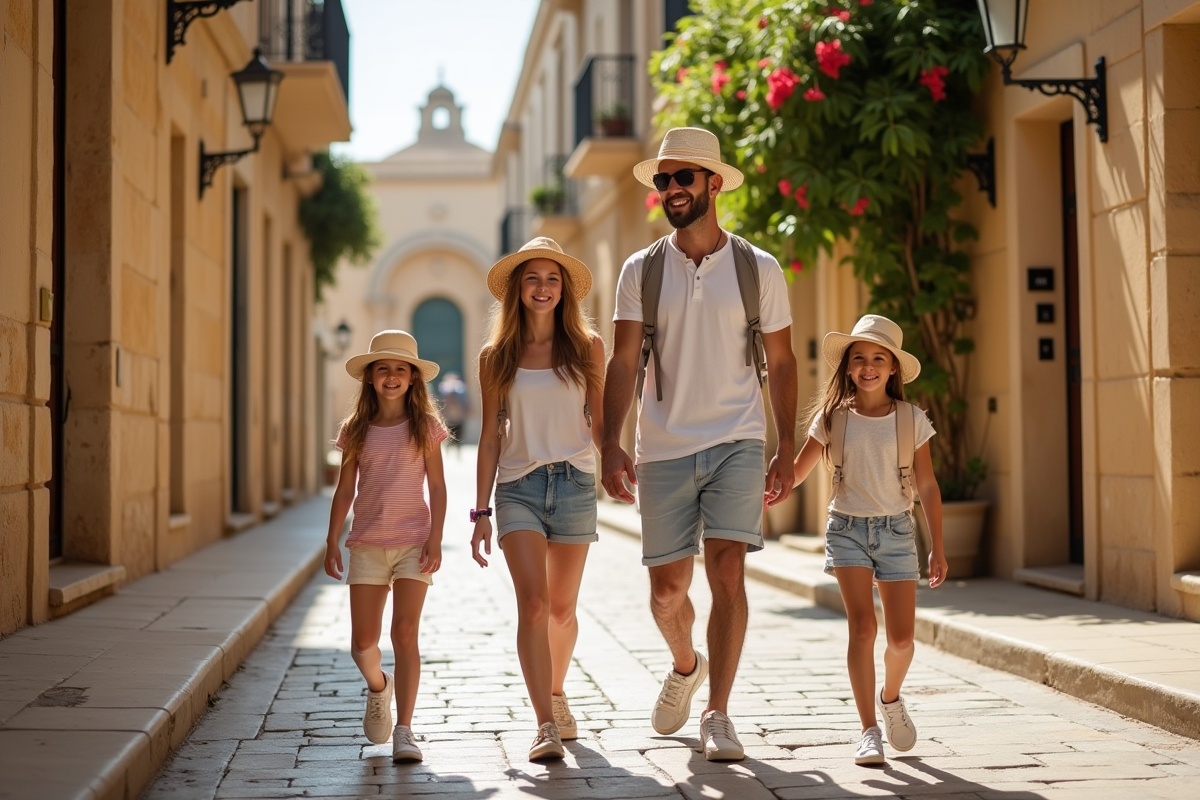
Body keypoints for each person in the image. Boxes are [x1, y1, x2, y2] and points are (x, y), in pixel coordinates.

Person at [601, 127, 798, 762]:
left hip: (737, 437)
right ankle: (687, 664)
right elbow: (624, 359)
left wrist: (786, 443)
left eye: (682, 178)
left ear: (714, 183)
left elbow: (784, 360)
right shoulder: (641, 269)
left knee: (729, 573)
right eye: (662, 180)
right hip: (661, 446)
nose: (670, 190)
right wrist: (610, 440)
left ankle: (717, 712)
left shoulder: (757, 267)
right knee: (666, 592)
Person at [789, 314, 947, 765]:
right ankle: (868, 730)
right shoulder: (832, 419)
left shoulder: (911, 420)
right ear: (848, 368)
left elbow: (929, 485)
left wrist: (937, 543)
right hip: (847, 530)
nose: (869, 366)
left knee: (902, 642)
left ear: (894, 368)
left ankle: (890, 697)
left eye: (879, 358)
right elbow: (799, 471)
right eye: (859, 358)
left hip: (897, 531)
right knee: (863, 628)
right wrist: (769, 489)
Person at [470, 237, 606, 762]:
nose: (543, 288)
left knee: (563, 610)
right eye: (533, 279)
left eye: (552, 279)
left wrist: (621, 466)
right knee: (534, 604)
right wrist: (481, 511)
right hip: (518, 486)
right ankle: (544, 724)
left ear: (564, 289)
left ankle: (556, 689)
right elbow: (488, 435)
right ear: (518, 290)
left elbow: (599, 422)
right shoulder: (495, 356)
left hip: (574, 482)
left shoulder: (588, 347)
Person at [324, 330, 448, 764]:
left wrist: (436, 538)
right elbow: (344, 490)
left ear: (413, 378)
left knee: (406, 633)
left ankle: (405, 729)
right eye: (383, 369)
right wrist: (331, 541)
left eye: (401, 368)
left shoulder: (425, 427)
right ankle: (380, 687)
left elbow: (438, 485)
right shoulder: (356, 430)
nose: (392, 376)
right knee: (363, 645)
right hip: (367, 546)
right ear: (370, 378)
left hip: (414, 542)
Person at [437, 372, 468, 455]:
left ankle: (457, 452)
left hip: (457, 419)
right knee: (449, 437)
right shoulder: (447, 396)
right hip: (450, 419)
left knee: (458, 437)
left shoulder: (459, 396)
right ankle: (450, 452)